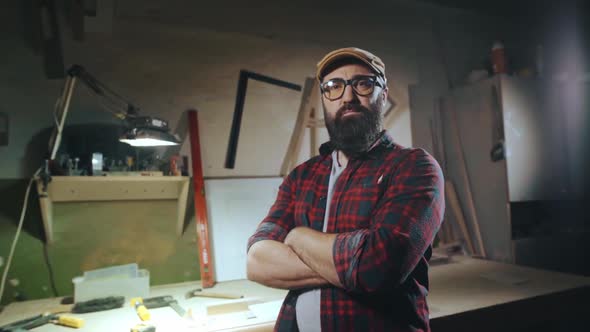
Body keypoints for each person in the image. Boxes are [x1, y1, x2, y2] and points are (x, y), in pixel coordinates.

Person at [246, 47, 444, 332]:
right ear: (325, 99)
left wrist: (297, 237)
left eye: (362, 83)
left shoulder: (414, 167)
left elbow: (377, 267)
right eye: (334, 87)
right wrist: (349, 267)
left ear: (383, 95)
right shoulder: (302, 177)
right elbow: (257, 262)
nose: (348, 97)